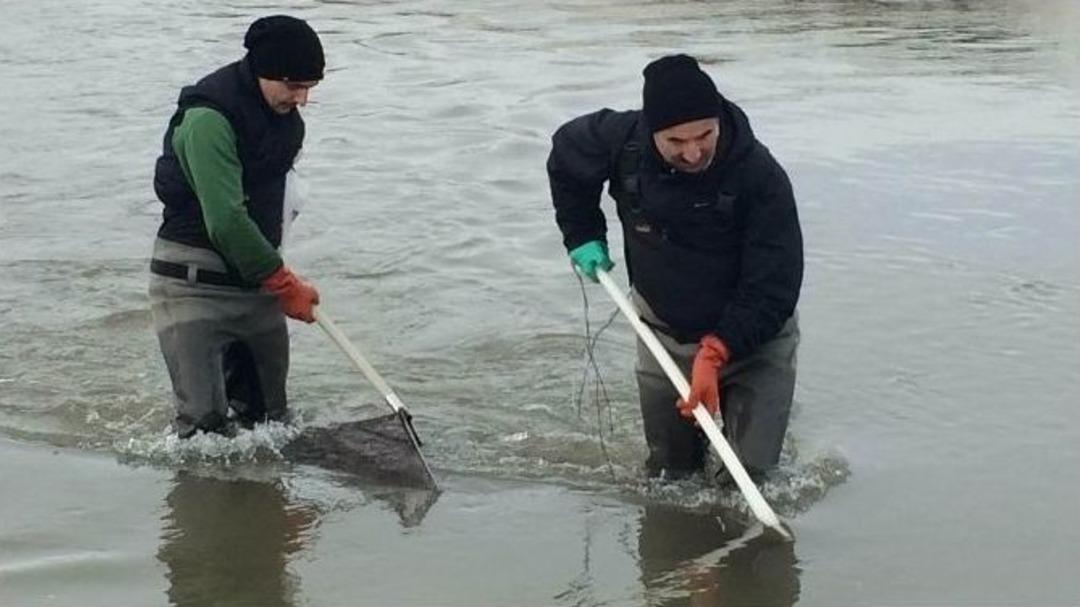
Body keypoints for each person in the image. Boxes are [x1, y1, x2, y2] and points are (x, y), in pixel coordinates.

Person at [547, 54, 803, 481]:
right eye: (676, 142)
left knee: (749, 476)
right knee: (670, 476)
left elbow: (774, 284)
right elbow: (567, 157)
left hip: (756, 343)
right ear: (651, 132)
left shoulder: (760, 175)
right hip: (662, 334)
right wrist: (581, 233)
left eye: (704, 135)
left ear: (719, 119)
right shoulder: (620, 141)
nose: (693, 151)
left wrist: (717, 350)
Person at [150, 15, 324, 438]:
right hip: (193, 289)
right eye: (293, 86)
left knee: (270, 426)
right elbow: (226, 221)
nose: (301, 98)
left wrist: (275, 278)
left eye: (310, 88)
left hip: (255, 289)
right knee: (204, 433)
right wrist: (284, 283)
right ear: (264, 71)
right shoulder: (208, 120)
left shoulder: (286, 122)